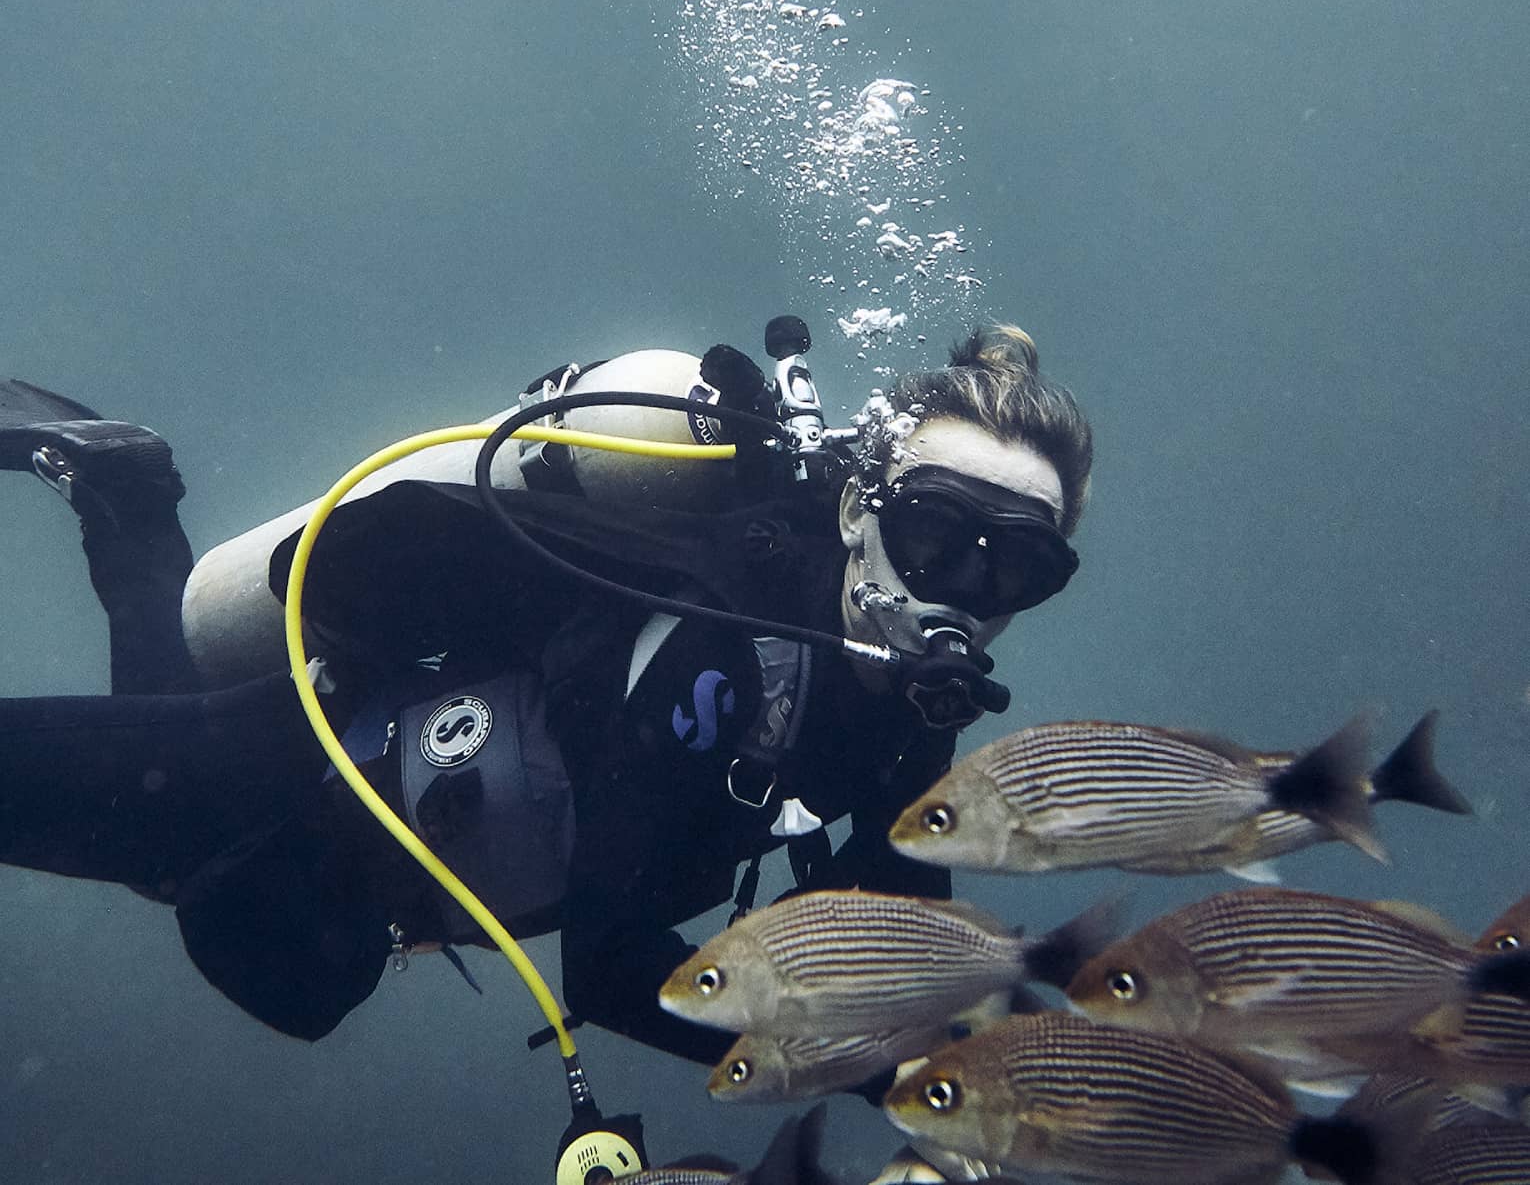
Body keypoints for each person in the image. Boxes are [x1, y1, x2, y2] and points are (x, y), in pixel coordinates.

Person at [0, 325, 1092, 1061]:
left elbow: (897, 928)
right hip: (292, 769)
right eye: (935, 533)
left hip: (372, 867)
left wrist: (994, 1065)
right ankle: (125, 489)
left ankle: (127, 493)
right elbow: (613, 969)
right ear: (860, 510)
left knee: (206, 848)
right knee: (139, 799)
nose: (960, 591)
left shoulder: (907, 708)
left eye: (1015, 568)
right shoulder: (722, 646)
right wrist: (873, 1078)